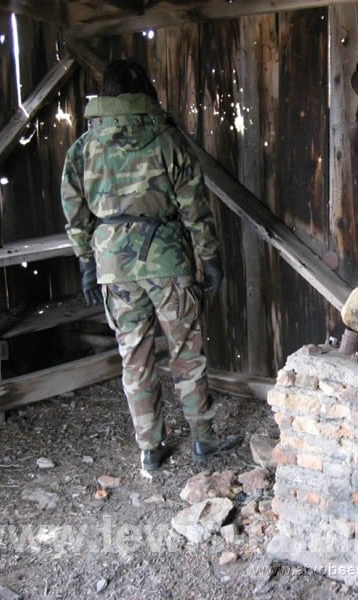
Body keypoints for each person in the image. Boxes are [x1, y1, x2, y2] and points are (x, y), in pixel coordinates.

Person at [60, 58, 241, 471]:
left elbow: (75, 214)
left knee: (134, 357)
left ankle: (151, 448)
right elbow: (195, 208)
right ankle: (203, 439)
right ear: (146, 93)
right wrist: (209, 259)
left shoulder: (83, 148)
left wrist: (87, 263)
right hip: (167, 260)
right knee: (186, 352)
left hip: (114, 268)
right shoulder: (167, 140)